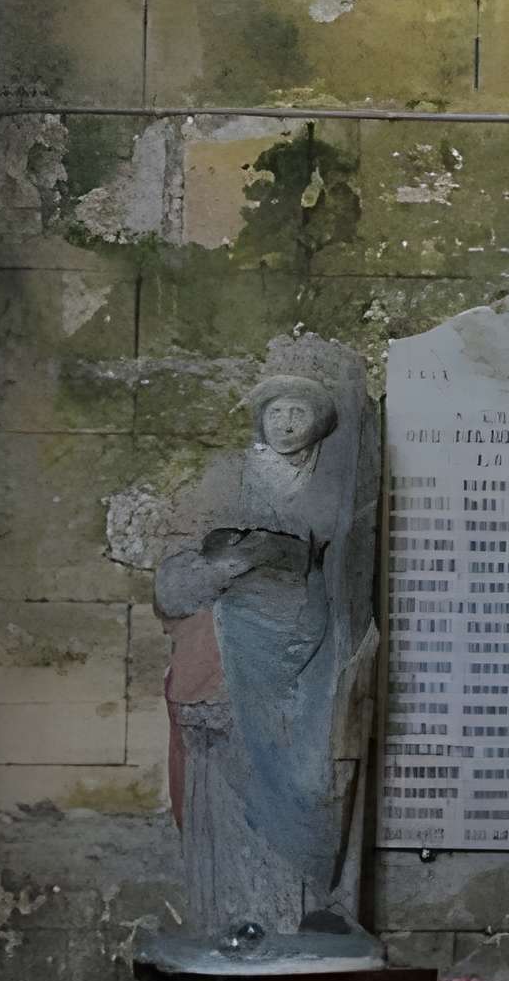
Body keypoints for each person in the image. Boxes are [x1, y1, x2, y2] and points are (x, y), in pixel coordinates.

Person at [155, 358, 381, 940]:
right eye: (275, 411)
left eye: (298, 412)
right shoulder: (229, 478)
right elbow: (177, 575)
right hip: (230, 663)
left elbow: (343, 577)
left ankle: (302, 924)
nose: (284, 423)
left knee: (313, 786)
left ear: (319, 425)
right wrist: (233, 563)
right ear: (258, 420)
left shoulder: (333, 489)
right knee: (228, 802)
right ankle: (232, 925)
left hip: (310, 664)